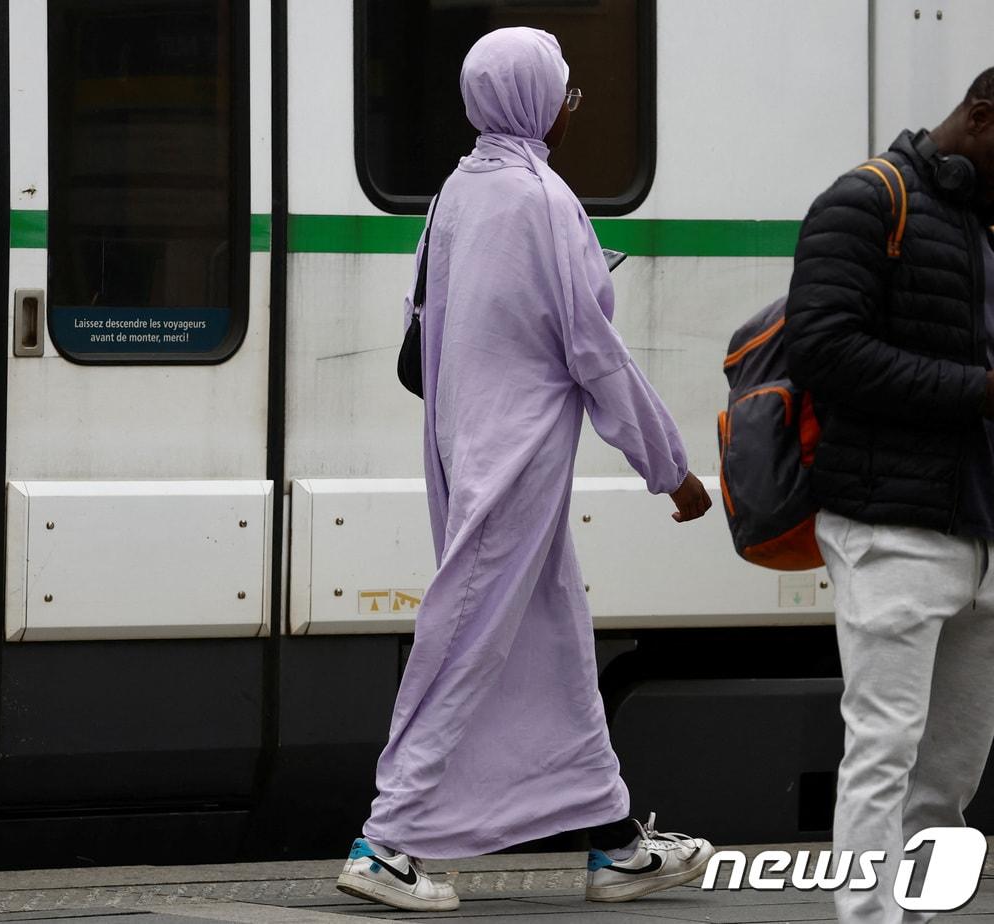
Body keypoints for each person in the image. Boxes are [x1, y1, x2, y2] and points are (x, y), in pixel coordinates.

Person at [335, 27, 716, 913]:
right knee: (468, 634)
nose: (570, 108)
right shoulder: (545, 200)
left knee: (551, 641)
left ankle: (616, 843)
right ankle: (387, 843)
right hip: (517, 460)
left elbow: (423, 320)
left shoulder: (455, 192)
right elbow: (594, 351)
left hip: (465, 446)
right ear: (534, 100)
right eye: (565, 93)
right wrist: (670, 468)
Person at [784, 68, 994, 924]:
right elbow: (823, 350)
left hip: (980, 529)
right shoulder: (866, 201)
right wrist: (978, 390)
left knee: (950, 771)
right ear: (982, 118)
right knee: (885, 751)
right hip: (891, 527)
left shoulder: (983, 221)